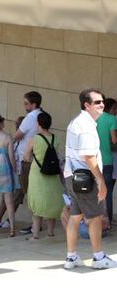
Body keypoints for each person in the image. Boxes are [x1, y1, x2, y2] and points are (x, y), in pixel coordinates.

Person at [63, 88, 117, 269]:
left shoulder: (77, 122)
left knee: (75, 216)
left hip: (73, 177)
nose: (101, 105)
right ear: (86, 105)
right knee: (95, 217)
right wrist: (101, 181)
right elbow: (89, 157)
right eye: (97, 102)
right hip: (85, 179)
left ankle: (71, 257)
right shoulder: (85, 126)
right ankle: (99, 257)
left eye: (102, 101)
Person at [23, 112, 64, 239]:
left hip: (37, 173)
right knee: (51, 202)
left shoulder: (34, 139)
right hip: (52, 173)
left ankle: (35, 234)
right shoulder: (55, 138)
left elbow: (26, 157)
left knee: (37, 203)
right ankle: (50, 232)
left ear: (38, 124)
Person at [12, 91, 43, 234]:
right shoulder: (42, 115)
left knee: (30, 193)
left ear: (33, 104)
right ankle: (38, 224)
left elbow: (18, 135)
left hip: (27, 160)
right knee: (36, 192)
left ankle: (35, 225)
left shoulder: (30, 117)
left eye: (26, 103)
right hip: (38, 158)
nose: (24, 106)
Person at [0, 116, 25, 228]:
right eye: (16, 124)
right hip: (11, 171)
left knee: (17, 196)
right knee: (6, 196)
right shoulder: (13, 139)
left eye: (20, 124)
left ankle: (9, 220)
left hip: (22, 172)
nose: (17, 126)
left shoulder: (28, 139)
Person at [96, 97, 117, 227]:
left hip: (94, 161)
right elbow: (114, 140)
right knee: (107, 193)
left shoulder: (94, 118)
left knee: (95, 192)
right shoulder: (112, 119)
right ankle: (107, 222)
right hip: (108, 161)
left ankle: (95, 221)